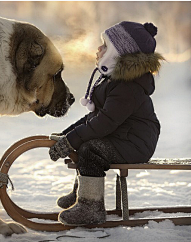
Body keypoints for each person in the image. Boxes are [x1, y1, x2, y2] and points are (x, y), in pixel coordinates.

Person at [49, 21, 164, 226]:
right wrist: (67, 135)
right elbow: (94, 119)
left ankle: (90, 207)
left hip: (136, 143)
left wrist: (73, 139)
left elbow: (104, 123)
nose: (99, 49)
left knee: (91, 149)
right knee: (86, 144)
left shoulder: (129, 86)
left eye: (105, 46)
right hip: (123, 136)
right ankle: (82, 194)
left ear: (118, 53)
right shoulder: (113, 80)